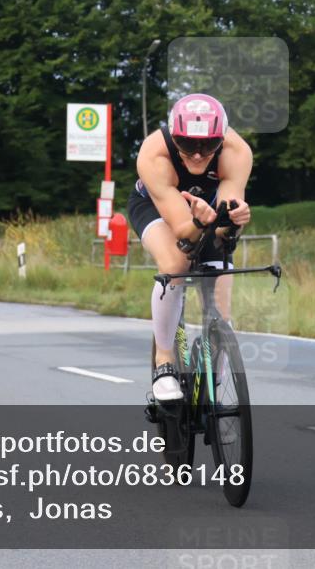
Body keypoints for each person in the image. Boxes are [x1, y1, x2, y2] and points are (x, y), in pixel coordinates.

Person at [127, 93, 252, 401]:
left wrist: (234, 219)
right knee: (175, 265)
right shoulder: (154, 154)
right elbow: (183, 230)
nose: (197, 155)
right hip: (154, 207)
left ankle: (219, 344)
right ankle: (165, 361)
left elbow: (223, 226)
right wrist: (198, 224)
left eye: (208, 146)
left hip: (206, 208)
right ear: (174, 137)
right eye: (187, 145)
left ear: (221, 139)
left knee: (219, 269)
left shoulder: (236, 152)